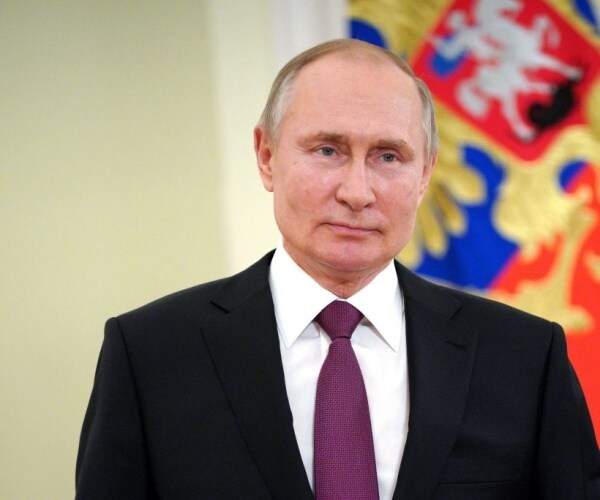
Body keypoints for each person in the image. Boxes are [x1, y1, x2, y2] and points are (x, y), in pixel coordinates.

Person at [76, 39, 599, 499]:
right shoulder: (150, 353)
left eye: (389, 156)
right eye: (327, 150)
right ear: (266, 156)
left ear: (425, 174)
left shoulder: (525, 358)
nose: (356, 192)